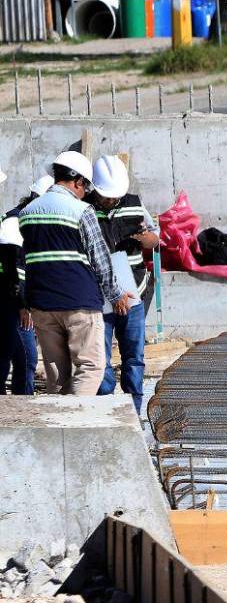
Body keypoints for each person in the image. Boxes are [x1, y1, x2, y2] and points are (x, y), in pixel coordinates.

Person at [18, 152, 134, 397]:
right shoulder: (81, 211)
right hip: (78, 303)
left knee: (57, 374)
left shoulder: (27, 213)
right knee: (91, 366)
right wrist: (115, 294)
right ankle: (74, 422)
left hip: (41, 305)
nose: (85, 192)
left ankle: (58, 429)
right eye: (86, 186)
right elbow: (100, 258)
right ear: (78, 182)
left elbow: (28, 261)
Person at [90, 156, 159, 413]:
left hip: (133, 291)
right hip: (100, 295)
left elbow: (155, 239)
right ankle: (106, 409)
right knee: (99, 358)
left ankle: (134, 410)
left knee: (134, 358)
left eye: (113, 197)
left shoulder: (134, 204)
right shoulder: (85, 208)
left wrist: (144, 238)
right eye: (105, 196)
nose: (110, 201)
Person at [0, 174, 52, 394]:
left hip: (18, 301)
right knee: (25, 358)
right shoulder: (14, 223)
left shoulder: (30, 223)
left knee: (21, 360)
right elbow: (15, 268)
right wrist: (23, 304)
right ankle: (19, 409)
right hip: (11, 302)